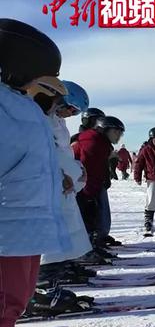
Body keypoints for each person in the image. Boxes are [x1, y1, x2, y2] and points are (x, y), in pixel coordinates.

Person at [0, 18, 72, 327]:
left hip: (24, 224)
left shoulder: (17, 108)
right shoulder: (5, 112)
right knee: (3, 303)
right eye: (42, 82)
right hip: (7, 227)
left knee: (15, 301)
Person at [38, 80, 94, 286]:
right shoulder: (43, 120)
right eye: (71, 109)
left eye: (76, 112)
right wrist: (62, 172)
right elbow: (46, 152)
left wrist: (77, 168)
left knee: (68, 230)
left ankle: (60, 270)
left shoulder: (58, 123)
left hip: (65, 184)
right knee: (51, 233)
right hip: (52, 183)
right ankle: (43, 281)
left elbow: (64, 152)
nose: (71, 114)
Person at [73, 115, 125, 248]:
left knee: (97, 214)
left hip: (87, 185)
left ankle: (96, 241)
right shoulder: (94, 144)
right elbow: (88, 170)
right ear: (104, 130)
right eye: (115, 132)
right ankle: (88, 247)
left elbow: (98, 169)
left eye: (120, 133)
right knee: (88, 216)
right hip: (81, 186)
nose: (118, 136)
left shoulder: (100, 142)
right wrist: (89, 194)